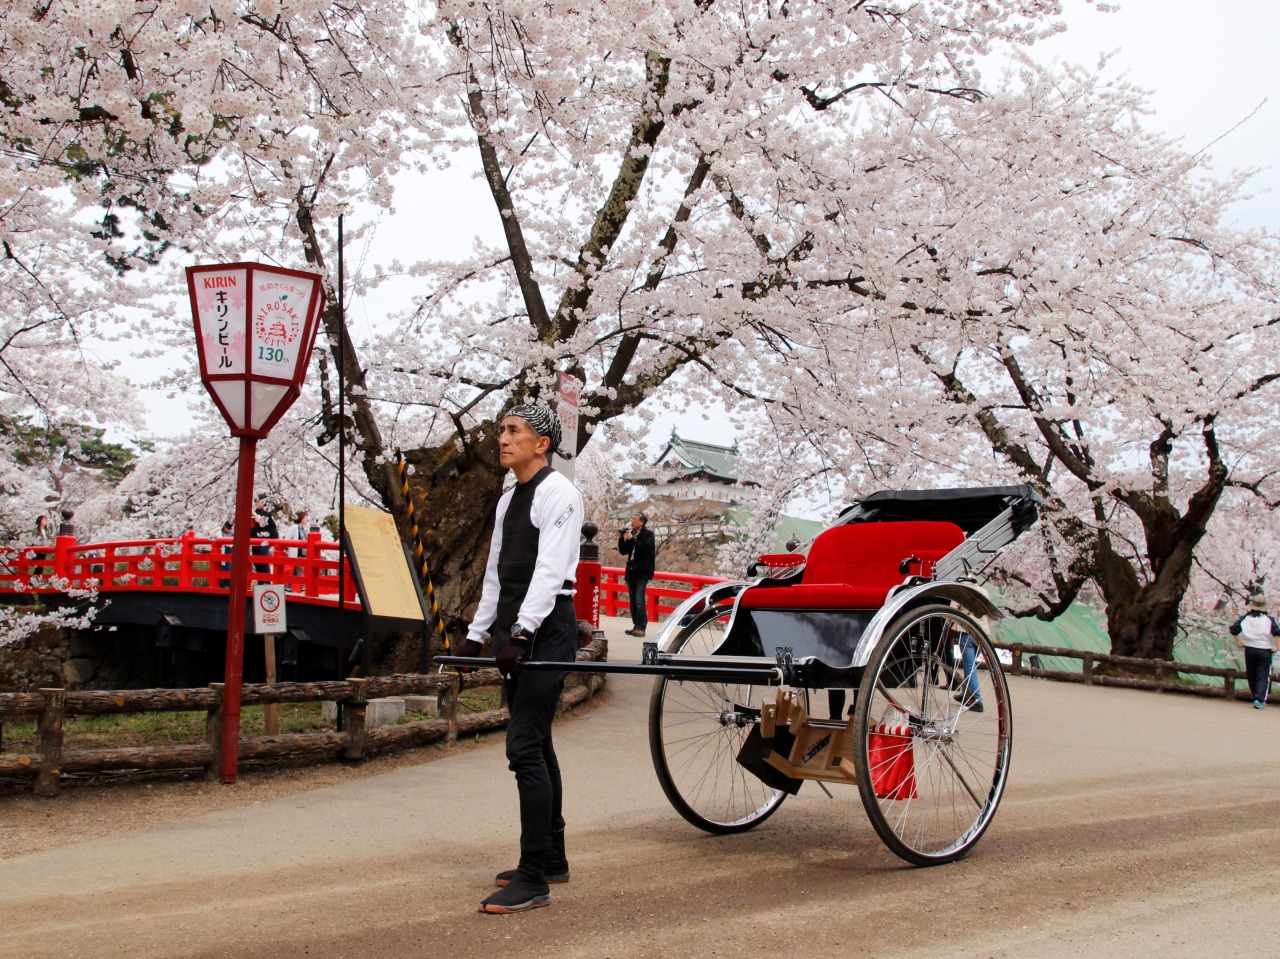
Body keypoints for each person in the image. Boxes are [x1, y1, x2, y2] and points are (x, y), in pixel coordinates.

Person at [458, 403, 582, 914]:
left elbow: (550, 572)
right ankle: (552, 855)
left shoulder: (560, 493)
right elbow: (496, 575)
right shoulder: (509, 499)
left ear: (542, 443)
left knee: (523, 747)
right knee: (537, 740)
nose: (503, 439)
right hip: (516, 630)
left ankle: (534, 876)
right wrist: (475, 636)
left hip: (546, 631)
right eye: (502, 430)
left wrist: (523, 632)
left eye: (515, 431)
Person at [1230, 594, 1280, 709]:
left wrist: (1238, 642)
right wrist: (1277, 647)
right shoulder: (1269, 620)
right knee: (1263, 674)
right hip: (1265, 649)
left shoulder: (1245, 618)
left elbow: (1234, 629)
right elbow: (1277, 633)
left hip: (1250, 649)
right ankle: (1259, 698)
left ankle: (1255, 695)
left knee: (1252, 673)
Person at [617, 512, 655, 637]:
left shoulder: (648, 534)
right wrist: (621, 538)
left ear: (642, 522)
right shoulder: (631, 534)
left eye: (634, 519)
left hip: (642, 571)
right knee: (633, 601)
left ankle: (641, 627)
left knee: (640, 600)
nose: (632, 521)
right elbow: (623, 551)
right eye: (631, 519)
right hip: (631, 570)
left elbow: (646, 550)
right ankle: (635, 625)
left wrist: (632, 540)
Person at [250, 495, 278, 576]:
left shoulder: (267, 514)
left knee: (263, 562)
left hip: (264, 540)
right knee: (257, 563)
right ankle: (260, 582)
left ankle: (266, 582)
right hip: (254, 540)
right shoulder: (255, 512)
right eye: (256, 501)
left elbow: (264, 523)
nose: (257, 503)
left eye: (259, 501)